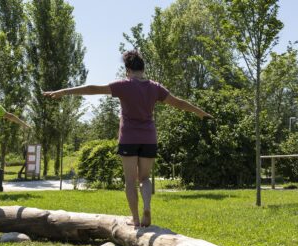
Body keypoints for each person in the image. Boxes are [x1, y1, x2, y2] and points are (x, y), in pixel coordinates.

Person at [43, 50, 212, 227]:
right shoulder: (155, 87)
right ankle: (147, 207)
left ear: (128, 69)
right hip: (148, 138)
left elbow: (92, 89)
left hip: (129, 138)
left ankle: (136, 219)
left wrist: (63, 91)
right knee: (144, 179)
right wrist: (200, 113)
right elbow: (179, 103)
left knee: (130, 181)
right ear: (143, 68)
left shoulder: (124, 85)